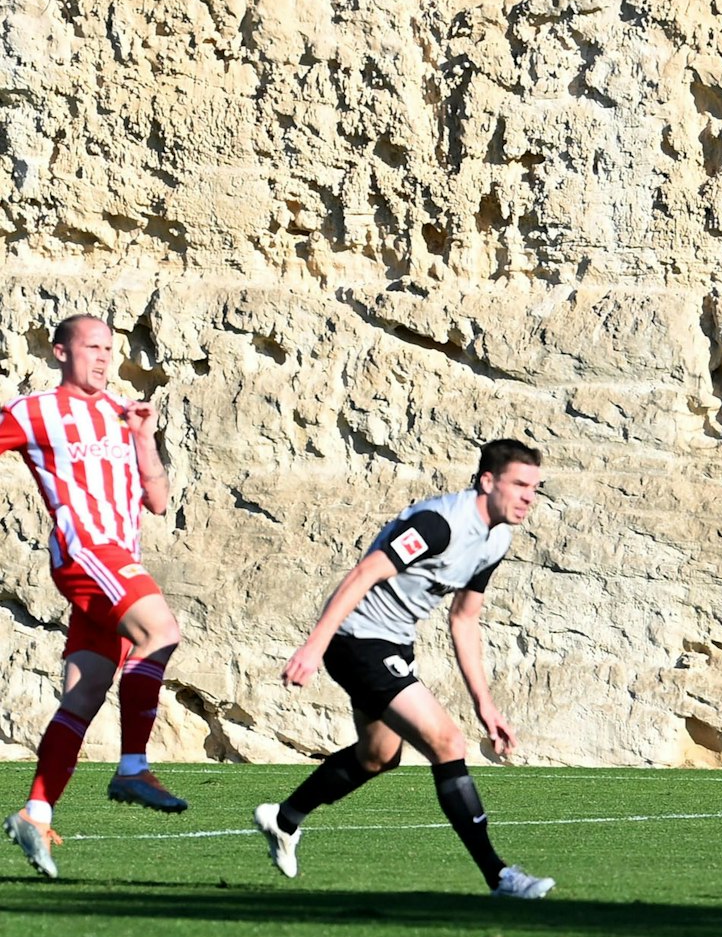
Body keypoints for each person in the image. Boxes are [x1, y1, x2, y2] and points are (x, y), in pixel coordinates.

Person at [253, 438, 555, 899]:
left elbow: (464, 618)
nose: (528, 497)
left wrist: (485, 705)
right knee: (447, 742)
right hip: (355, 639)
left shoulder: (496, 539)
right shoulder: (439, 524)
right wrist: (314, 646)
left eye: (534, 488)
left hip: (391, 643)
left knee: (377, 757)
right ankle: (501, 878)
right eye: (519, 485)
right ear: (487, 481)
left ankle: (284, 818)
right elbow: (364, 573)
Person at [1, 315, 190, 879]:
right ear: (61, 352)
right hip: (86, 552)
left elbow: (158, 500)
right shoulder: (33, 411)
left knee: (83, 696)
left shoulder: (120, 412)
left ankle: (35, 813)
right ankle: (132, 768)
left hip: (119, 558)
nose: (104, 357)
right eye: (92, 347)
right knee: (162, 631)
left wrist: (143, 438)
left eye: (110, 348)